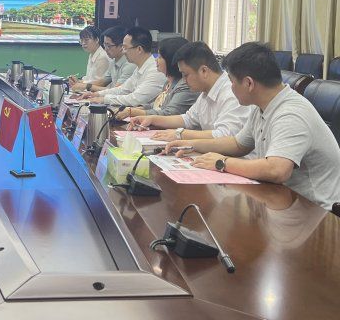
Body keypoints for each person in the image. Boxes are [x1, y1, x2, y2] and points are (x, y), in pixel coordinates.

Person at [164, 42, 340, 211]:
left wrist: (221, 162)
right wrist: (190, 144)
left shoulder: (291, 114)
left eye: (232, 82)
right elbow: (238, 144)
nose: (230, 87)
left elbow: (277, 170)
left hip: (315, 211)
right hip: (282, 198)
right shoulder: (262, 106)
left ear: (249, 83)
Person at [129, 41, 250, 140]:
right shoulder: (206, 92)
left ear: (204, 71)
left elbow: (225, 135)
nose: (183, 80)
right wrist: (152, 119)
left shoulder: (232, 92)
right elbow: (188, 119)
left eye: (186, 75)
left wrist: (180, 134)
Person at [82, 27, 166, 107]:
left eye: (125, 47)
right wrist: (97, 94)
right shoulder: (139, 68)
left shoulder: (155, 70)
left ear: (139, 49)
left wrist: (104, 99)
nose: (123, 51)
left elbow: (135, 99)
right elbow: (123, 89)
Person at [118, 37, 199, 119]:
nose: (156, 60)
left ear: (170, 60)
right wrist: (133, 109)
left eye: (160, 57)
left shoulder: (185, 85)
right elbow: (157, 105)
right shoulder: (168, 82)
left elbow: (169, 114)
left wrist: (132, 112)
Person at [70, 26, 135, 93]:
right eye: (104, 45)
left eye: (109, 46)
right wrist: (80, 84)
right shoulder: (113, 61)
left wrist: (87, 86)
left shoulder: (129, 64)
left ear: (121, 46)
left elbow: (117, 91)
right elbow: (102, 81)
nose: (105, 49)